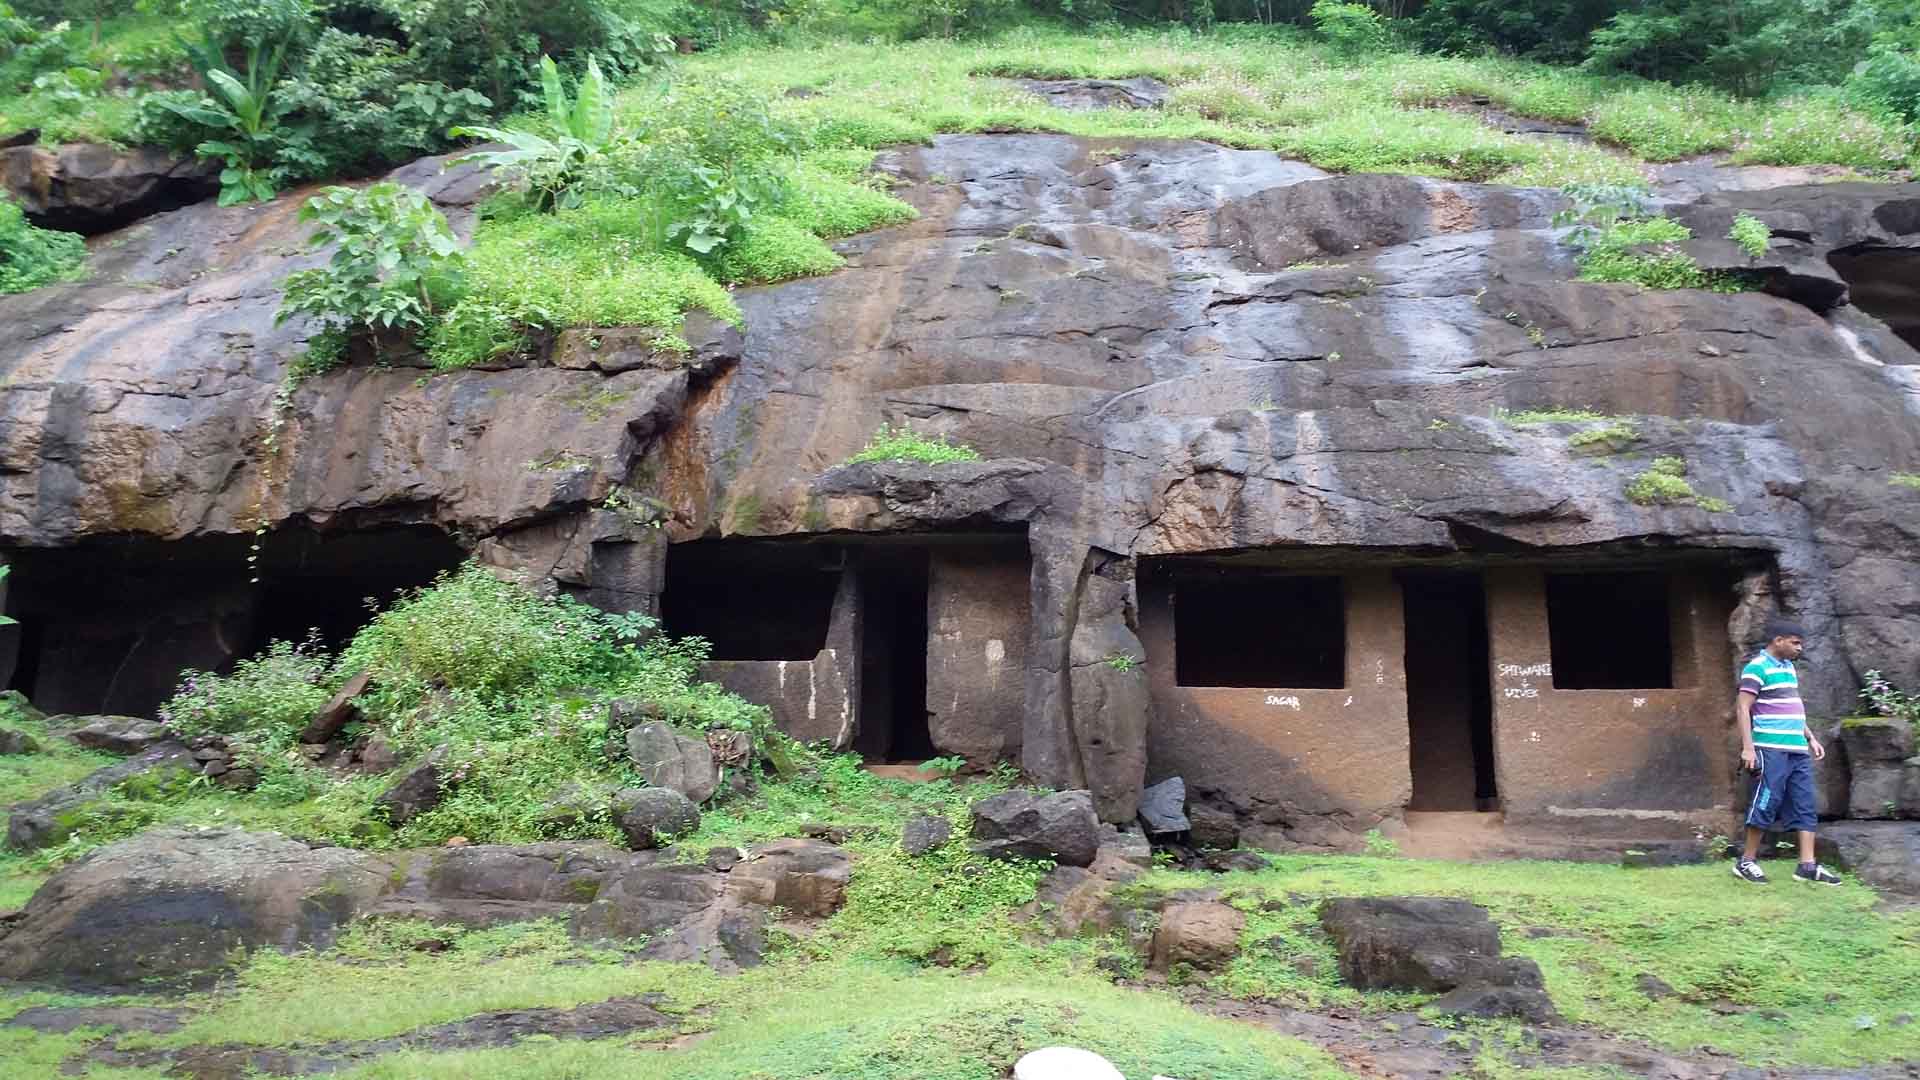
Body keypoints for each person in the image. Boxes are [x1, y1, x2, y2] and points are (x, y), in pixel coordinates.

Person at [1732, 618, 1842, 885]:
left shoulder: (1789, 668)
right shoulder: (1756, 668)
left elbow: (1791, 706)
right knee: (1766, 802)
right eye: (1795, 642)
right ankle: (1746, 862)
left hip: (1796, 750)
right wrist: (1748, 749)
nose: (1799, 648)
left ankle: (1807, 866)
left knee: (1806, 804)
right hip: (1770, 750)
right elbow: (1742, 708)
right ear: (1777, 640)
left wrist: (1810, 737)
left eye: (1800, 643)